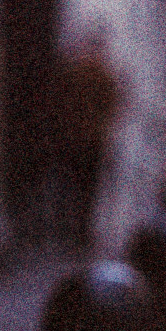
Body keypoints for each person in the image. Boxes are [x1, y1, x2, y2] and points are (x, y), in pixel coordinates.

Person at [52, 32, 122, 254]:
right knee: (88, 188)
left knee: (73, 186)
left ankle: (71, 231)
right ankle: (82, 233)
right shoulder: (103, 75)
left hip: (73, 138)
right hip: (94, 139)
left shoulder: (71, 73)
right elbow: (116, 105)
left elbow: (59, 103)